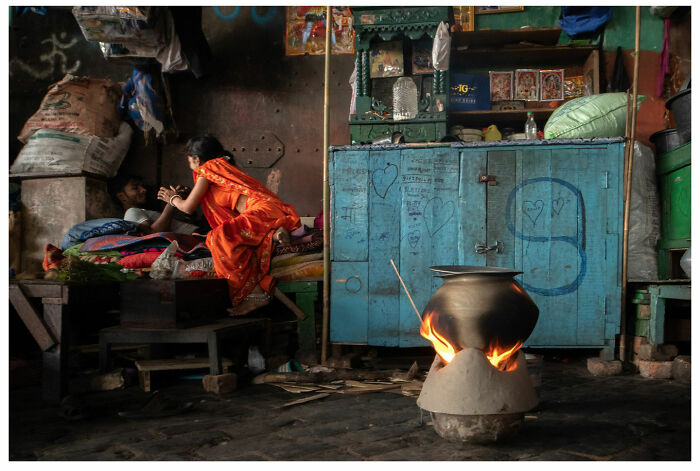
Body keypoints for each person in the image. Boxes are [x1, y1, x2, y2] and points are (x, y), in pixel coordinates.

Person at [157, 135, 301, 315]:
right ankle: (274, 231)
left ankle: (256, 294)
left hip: (261, 211)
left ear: (196, 159)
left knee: (218, 237)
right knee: (226, 237)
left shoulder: (208, 168)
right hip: (265, 212)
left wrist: (171, 199)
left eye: (189, 160)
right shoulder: (222, 168)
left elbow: (187, 208)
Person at [109, 175, 199, 235]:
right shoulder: (131, 212)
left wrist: (183, 200)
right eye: (135, 188)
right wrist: (172, 201)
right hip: (196, 235)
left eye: (142, 186)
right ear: (122, 197)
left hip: (197, 234)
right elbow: (152, 234)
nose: (143, 190)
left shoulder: (145, 211)